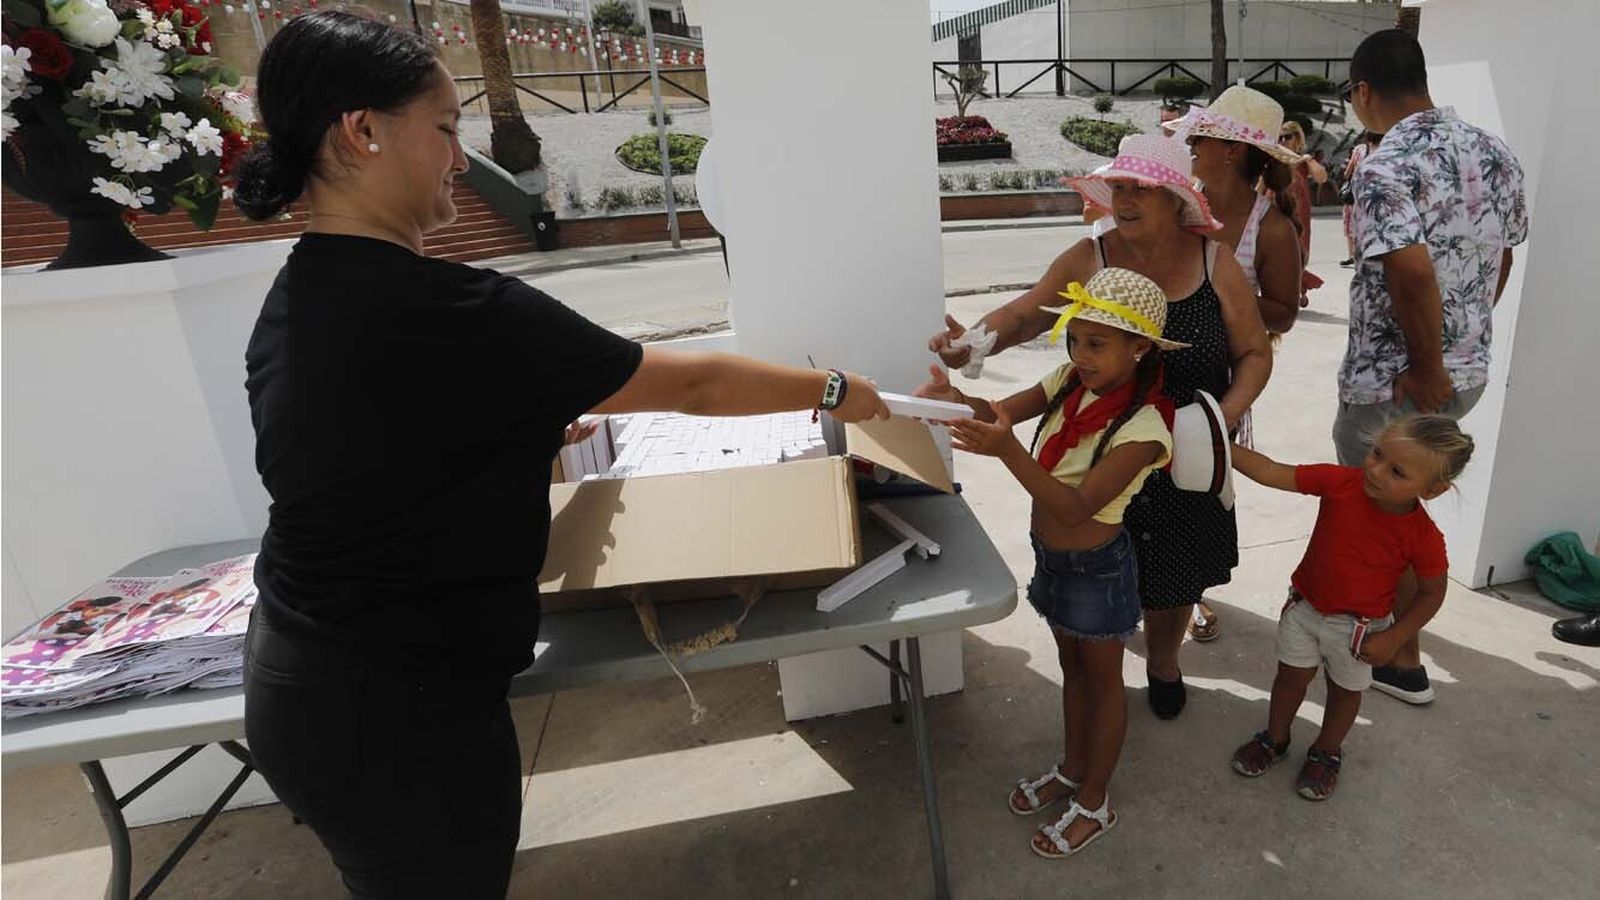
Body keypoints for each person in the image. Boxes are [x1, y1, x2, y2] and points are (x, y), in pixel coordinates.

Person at [233, 13, 890, 897]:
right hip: (397, 712)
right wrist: (836, 389)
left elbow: (368, 453)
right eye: (446, 130)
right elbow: (687, 386)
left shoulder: (302, 293)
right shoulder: (454, 310)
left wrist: (520, 437)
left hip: (312, 679)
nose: (460, 161)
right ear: (363, 131)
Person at [928, 134, 1272, 721]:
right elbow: (1025, 312)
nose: (1128, 198)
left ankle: (1163, 661)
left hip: (1180, 450)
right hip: (1096, 446)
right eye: (1120, 186)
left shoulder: (1214, 260)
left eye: (1142, 188)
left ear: (1174, 199)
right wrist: (970, 345)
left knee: (1176, 571)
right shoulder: (1092, 256)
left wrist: (1221, 418)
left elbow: (1255, 353)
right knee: (1098, 568)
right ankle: (1102, 669)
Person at [918, 267, 1181, 857]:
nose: (1080, 355)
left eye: (1097, 343)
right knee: (1073, 671)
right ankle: (1070, 769)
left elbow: (1073, 504)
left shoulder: (1145, 429)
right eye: (1075, 339)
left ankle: (1095, 800)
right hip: (1054, 563)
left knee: (1105, 684)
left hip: (1099, 573)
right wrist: (953, 399)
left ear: (1140, 348)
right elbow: (999, 411)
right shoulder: (1068, 381)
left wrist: (1007, 448)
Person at [1339, 28, 1528, 705]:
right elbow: (1501, 256)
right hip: (1466, 373)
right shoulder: (1495, 152)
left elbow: (1411, 273)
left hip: (1397, 382)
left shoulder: (1385, 165)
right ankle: (1397, 632)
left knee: (1377, 515)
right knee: (1411, 507)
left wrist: (1424, 365)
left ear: (1364, 91)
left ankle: (1398, 655)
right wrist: (1459, 343)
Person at [1227, 415, 1473, 800]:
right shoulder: (1341, 483)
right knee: (1289, 678)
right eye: (1376, 454)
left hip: (1362, 630)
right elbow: (1273, 472)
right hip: (1305, 610)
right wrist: (1219, 445)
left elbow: (1430, 595)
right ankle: (1274, 739)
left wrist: (1395, 637)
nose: (1374, 470)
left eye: (1397, 471)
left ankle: (1326, 752)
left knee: (1345, 692)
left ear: (1434, 490)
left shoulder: (1424, 537)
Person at [1160, 85, 1308, 643]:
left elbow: (1285, 314)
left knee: (1196, 480)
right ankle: (1148, 586)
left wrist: (1221, 296)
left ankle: (1187, 592)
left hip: (1218, 380)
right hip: (1150, 364)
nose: (1192, 144)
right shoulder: (1175, 203)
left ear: (1231, 150)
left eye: (1201, 136)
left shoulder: (1271, 228)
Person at [1276, 120, 1328, 295]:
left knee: (1299, 250)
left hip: (1299, 212)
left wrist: (1308, 160)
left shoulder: (1304, 161)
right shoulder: (1274, 158)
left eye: (1287, 137)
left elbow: (1321, 178)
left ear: (1297, 138)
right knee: (1276, 250)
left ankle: (1294, 287)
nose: (1283, 141)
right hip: (1276, 208)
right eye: (1280, 137)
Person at [1338, 132, 1379, 267]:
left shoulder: (1358, 149)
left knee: (1350, 224)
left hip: (1355, 193)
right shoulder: (1384, 150)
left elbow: (1347, 173)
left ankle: (1351, 255)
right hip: (1372, 194)